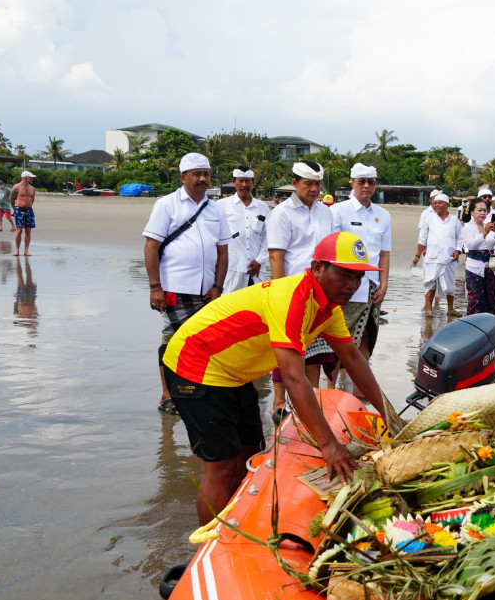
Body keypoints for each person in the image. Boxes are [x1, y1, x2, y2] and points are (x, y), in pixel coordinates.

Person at [162, 232, 389, 524]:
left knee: (251, 453)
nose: (353, 285)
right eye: (345, 274)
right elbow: (295, 380)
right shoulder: (293, 298)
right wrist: (329, 446)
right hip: (195, 363)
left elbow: (354, 359)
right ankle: (207, 545)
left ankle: (237, 525)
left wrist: (387, 414)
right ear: (317, 267)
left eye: (359, 277)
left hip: (234, 372)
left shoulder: (328, 308)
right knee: (222, 467)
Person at [143, 153, 230, 415]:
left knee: (206, 341)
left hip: (207, 291)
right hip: (174, 287)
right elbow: (151, 246)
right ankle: (167, 395)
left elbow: (223, 252)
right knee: (173, 340)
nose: (203, 179)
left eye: (206, 174)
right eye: (196, 174)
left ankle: (198, 391)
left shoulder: (216, 209)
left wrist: (218, 286)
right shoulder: (167, 205)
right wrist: (155, 287)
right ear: (183, 177)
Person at [265, 160, 336, 420]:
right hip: (290, 291)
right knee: (287, 351)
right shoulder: (281, 213)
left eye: (318, 184)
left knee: (315, 352)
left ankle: (311, 405)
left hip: (319, 295)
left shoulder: (325, 212)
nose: (315, 189)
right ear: (294, 183)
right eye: (309, 184)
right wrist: (280, 295)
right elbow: (276, 257)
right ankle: (279, 405)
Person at [331, 163, 391, 362]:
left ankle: (359, 390)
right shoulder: (338, 211)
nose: (366, 186)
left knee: (366, 339)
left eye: (371, 182)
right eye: (361, 181)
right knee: (336, 343)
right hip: (343, 288)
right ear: (352, 183)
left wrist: (384, 285)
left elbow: (384, 254)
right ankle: (331, 389)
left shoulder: (383, 215)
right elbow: (332, 251)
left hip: (371, 289)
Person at [219, 166, 269, 294]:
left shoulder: (262, 207)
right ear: (234, 182)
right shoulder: (222, 205)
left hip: (257, 269)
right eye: (240, 181)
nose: (244, 185)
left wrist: (259, 260)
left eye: (248, 181)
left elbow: (268, 237)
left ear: (252, 182)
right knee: (229, 306)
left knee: (256, 306)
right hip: (232, 267)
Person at [413, 192, 461, 317]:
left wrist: (458, 251)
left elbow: (460, 238)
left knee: (450, 285)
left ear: (447, 204)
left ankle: (450, 309)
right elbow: (422, 238)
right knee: (430, 283)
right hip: (432, 257)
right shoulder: (428, 218)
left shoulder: (454, 220)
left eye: (440, 203)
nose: (437, 205)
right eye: (435, 203)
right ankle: (429, 309)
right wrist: (417, 255)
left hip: (448, 258)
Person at [460, 196, 495, 315]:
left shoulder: (488, 226)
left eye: (484, 210)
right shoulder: (468, 227)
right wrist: (485, 232)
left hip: (490, 268)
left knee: (491, 299)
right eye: (479, 210)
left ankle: (488, 324)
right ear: (472, 212)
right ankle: (472, 325)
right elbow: (472, 245)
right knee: (476, 300)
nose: (483, 213)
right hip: (474, 268)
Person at [10, 171, 37, 256]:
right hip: (19, 208)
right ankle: (17, 250)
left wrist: (30, 207)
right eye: (30, 177)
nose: (32, 179)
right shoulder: (16, 187)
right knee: (19, 230)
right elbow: (11, 199)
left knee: (28, 230)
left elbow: (32, 199)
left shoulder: (32, 188)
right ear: (25, 177)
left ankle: (26, 250)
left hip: (29, 209)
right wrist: (14, 209)